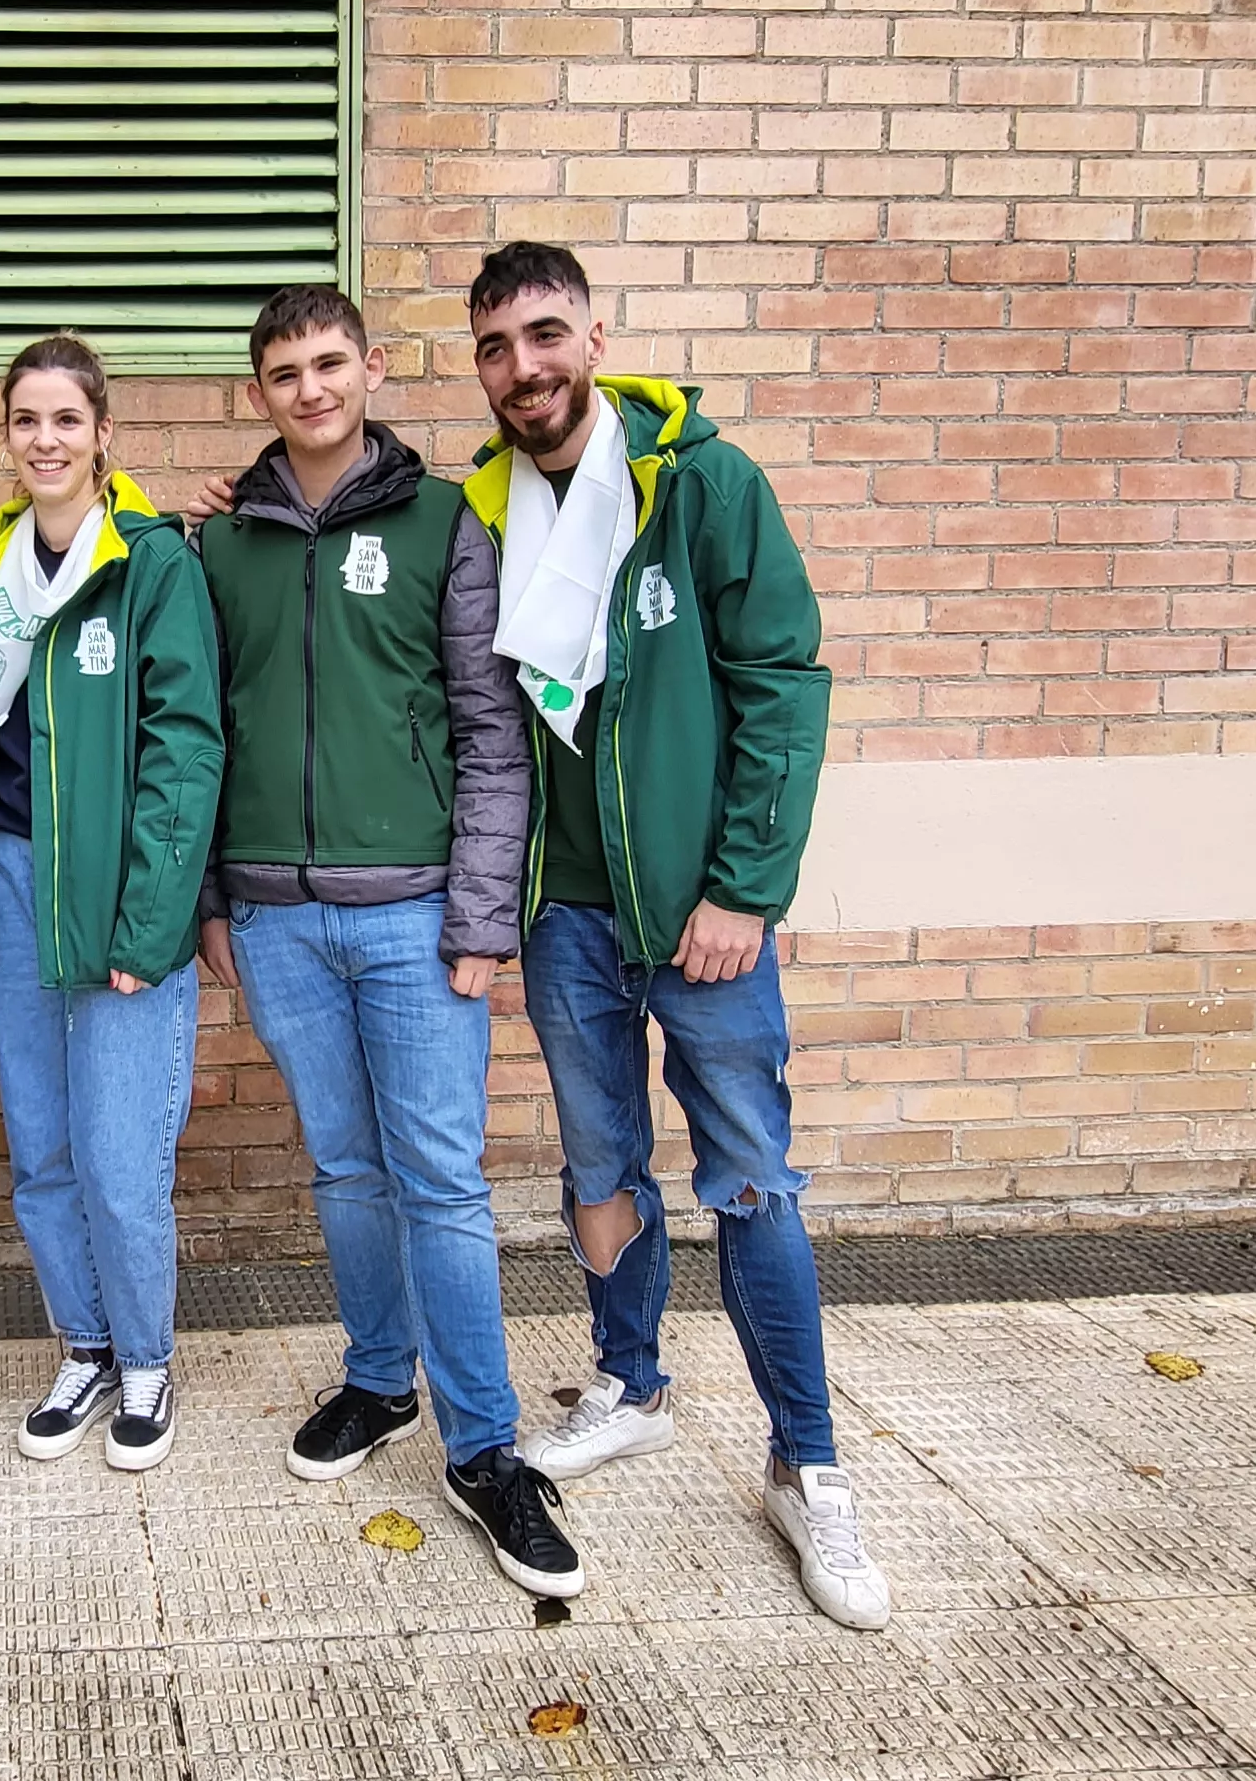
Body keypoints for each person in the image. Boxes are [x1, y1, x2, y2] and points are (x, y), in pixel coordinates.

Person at [464, 241, 892, 1630]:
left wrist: (747, 886)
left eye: (544, 336)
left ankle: (807, 1465)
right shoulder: (483, 504)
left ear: (594, 333)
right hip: (569, 914)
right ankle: (631, 1384)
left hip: (702, 916)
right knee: (599, 1163)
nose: (523, 369)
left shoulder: (701, 483)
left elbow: (783, 679)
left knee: (752, 1180)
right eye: (496, 348)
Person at [187, 287, 569, 1598]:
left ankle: (488, 1449)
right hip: (280, 921)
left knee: (441, 1182)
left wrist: (477, 918)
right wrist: (211, 903)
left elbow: (489, 732)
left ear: (373, 368)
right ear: (259, 392)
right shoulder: (221, 547)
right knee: (347, 1173)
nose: (309, 389)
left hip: (413, 922)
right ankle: (375, 1380)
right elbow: (204, 741)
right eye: (284, 372)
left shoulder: (442, 523)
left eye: (330, 363)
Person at [0, 334, 225, 1481]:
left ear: (102, 433)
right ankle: (83, 1345)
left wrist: (153, 918)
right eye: (26, 419)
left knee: (122, 1160)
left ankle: (148, 1362)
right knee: (41, 1149)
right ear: (7, 435)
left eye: (66, 419)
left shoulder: (152, 565)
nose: (46, 440)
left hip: (123, 888)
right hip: (14, 880)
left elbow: (184, 748)